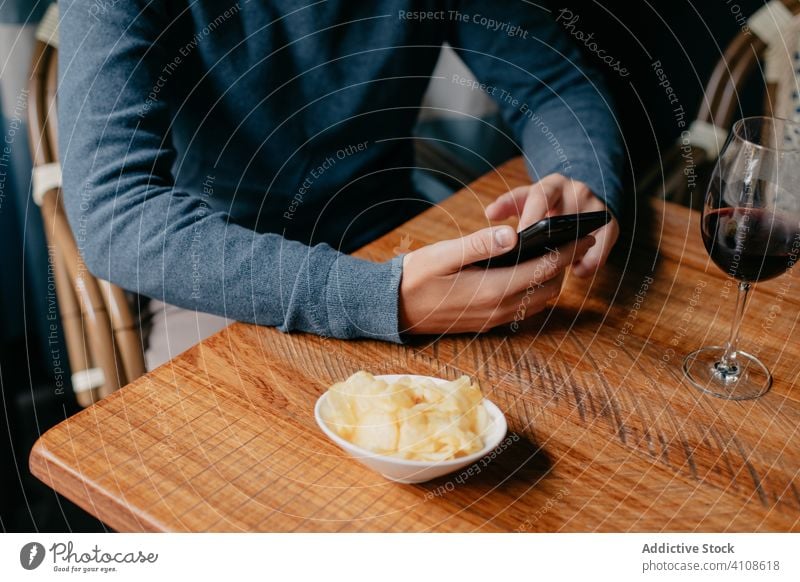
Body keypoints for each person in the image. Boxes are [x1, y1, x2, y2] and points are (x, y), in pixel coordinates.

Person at [59, 0, 623, 362]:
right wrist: (380, 300)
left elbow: (554, 83)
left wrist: (579, 179)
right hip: (216, 269)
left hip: (399, 233)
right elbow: (115, 211)